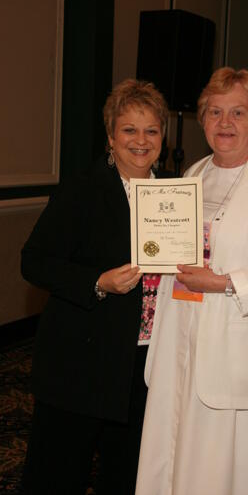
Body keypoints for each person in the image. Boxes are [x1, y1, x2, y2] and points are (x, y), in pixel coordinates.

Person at [135, 67, 248, 495]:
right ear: (203, 119)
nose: (225, 122)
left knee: (239, 469)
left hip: (242, 346)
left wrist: (224, 282)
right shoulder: (192, 174)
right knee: (178, 454)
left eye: (238, 112)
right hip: (182, 336)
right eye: (214, 111)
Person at [20, 79, 168, 494]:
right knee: (57, 476)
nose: (141, 140)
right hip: (81, 363)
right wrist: (97, 281)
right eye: (129, 130)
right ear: (110, 137)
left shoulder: (176, 193)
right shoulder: (82, 190)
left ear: (163, 137)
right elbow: (33, 261)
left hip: (146, 366)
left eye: (151, 130)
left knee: (128, 477)